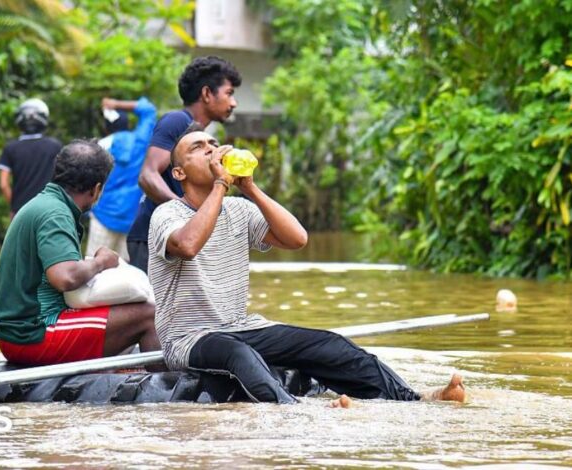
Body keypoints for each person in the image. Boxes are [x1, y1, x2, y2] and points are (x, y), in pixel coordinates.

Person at [148, 127, 467, 406]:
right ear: (179, 173)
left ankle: (415, 399)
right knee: (236, 354)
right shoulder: (167, 214)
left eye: (212, 143)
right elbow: (188, 246)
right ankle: (296, 412)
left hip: (243, 326)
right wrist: (219, 185)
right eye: (197, 147)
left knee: (329, 344)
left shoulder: (239, 209)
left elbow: (296, 238)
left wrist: (249, 188)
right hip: (189, 338)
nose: (211, 149)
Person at [0, 140, 161, 367]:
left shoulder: (45, 204)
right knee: (149, 315)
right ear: (96, 189)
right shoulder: (55, 214)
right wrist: (101, 262)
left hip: (19, 333)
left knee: (127, 311)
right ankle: (165, 391)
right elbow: (65, 277)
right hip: (33, 333)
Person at [126, 56, 241, 272]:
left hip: (178, 237)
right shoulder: (177, 121)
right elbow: (148, 176)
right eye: (229, 93)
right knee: (154, 306)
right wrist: (189, 212)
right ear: (207, 94)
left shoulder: (201, 136)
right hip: (154, 238)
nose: (233, 103)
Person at [85, 97, 158, 261]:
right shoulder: (141, 141)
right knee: (123, 272)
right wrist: (116, 104)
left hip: (103, 213)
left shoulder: (99, 146)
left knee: (93, 267)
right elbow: (149, 109)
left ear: (106, 126)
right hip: (131, 217)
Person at [0, 98, 63, 217]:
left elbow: (3, 184)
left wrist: (15, 206)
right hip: (49, 210)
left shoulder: (10, 148)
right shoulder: (55, 146)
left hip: (21, 212)